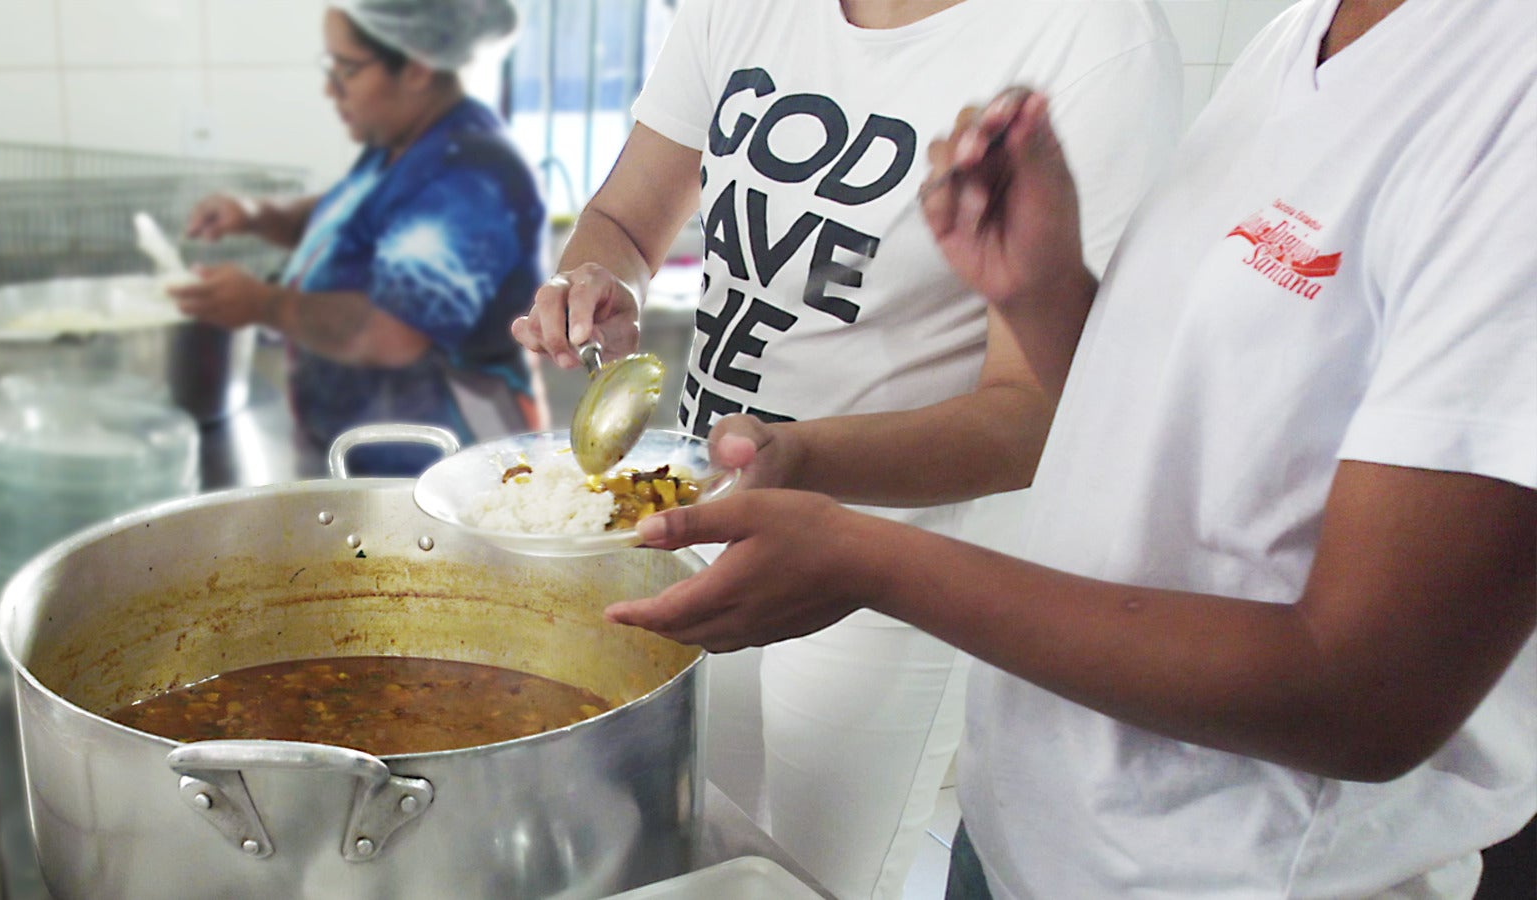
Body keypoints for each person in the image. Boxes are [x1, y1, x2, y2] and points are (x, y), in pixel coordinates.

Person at [600, 0, 1537, 896]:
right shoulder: (1302, 40)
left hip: (1224, 872)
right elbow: (1164, 425)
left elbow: (1366, 694)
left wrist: (873, 560)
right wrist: (1043, 293)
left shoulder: (1504, 106)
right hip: (1033, 828)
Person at [512, 1, 1182, 896]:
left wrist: (799, 458)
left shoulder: (1090, 39)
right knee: (686, 845)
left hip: (894, 562)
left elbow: (1035, 412)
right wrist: (592, 278)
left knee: (810, 876)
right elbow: (627, 224)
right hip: (695, 506)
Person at [175, 0, 546, 476]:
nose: (330, 89)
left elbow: (393, 333)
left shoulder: (467, 175)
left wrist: (265, 305)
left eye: (346, 69)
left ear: (415, 67)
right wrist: (258, 215)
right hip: (370, 462)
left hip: (444, 475)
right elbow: (349, 221)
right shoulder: (401, 145)